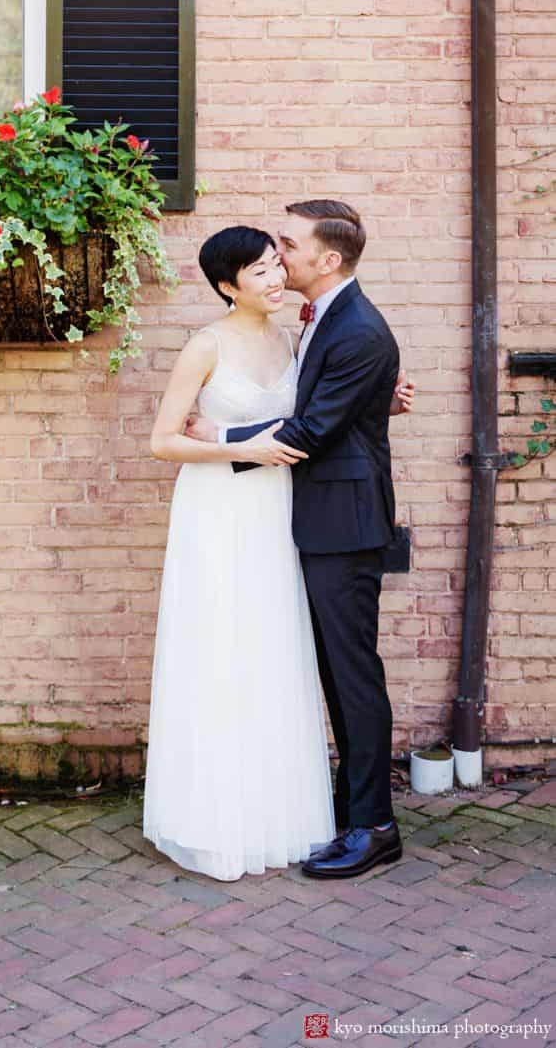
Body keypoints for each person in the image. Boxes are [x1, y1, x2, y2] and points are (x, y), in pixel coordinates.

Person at [183, 201, 408, 880]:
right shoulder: (322, 320)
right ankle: (352, 808)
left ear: (327, 259)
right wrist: (378, 398)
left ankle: (375, 827)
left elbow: (308, 433)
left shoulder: (358, 330)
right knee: (339, 676)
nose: (280, 256)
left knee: (354, 676)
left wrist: (216, 437)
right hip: (319, 518)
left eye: (289, 244)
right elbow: (321, 403)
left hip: (344, 524)